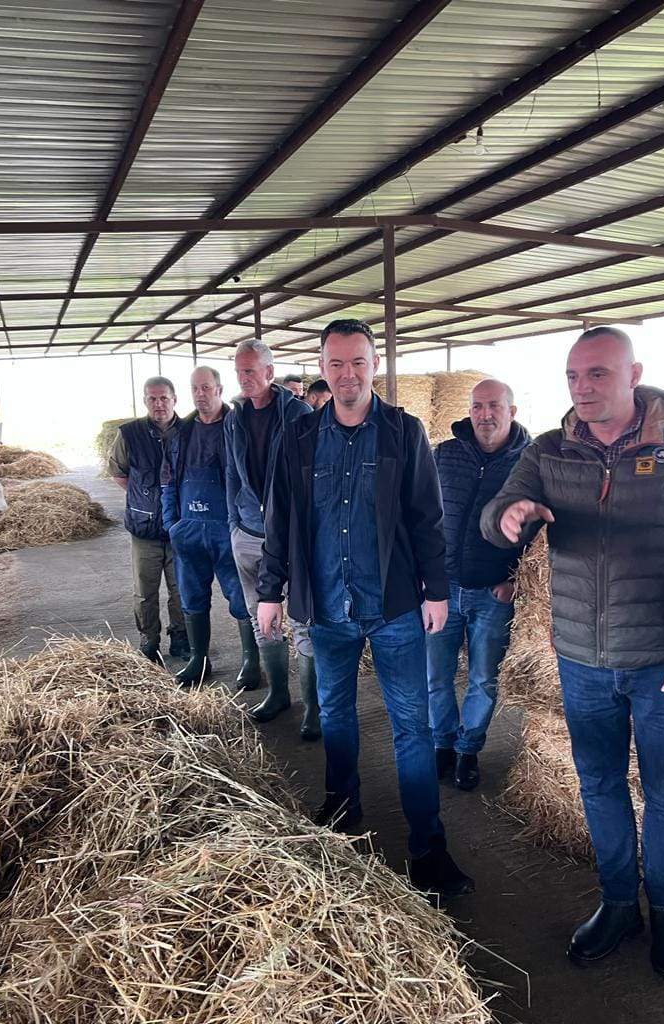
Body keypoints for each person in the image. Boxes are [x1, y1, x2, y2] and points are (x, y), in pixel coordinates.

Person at [481, 326, 664, 980]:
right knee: (599, 782)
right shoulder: (551, 450)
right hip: (582, 660)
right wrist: (509, 515)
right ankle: (618, 904)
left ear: (633, 374)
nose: (582, 389)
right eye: (572, 376)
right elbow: (495, 512)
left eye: (598, 374)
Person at [256, 318, 474, 897]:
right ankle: (342, 804)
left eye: (358, 362)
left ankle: (428, 846)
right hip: (328, 605)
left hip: (395, 605)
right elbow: (280, 517)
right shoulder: (299, 436)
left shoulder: (403, 432)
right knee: (335, 712)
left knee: (412, 725)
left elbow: (428, 517)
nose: (347, 374)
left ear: (375, 365)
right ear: (322, 369)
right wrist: (270, 590)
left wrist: (436, 590)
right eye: (336, 363)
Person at [427, 379, 531, 790]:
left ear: (512, 411)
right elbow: (422, 515)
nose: (484, 414)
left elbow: (544, 531)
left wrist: (516, 580)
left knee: (484, 678)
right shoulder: (444, 455)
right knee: (436, 674)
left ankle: (468, 750)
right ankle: (442, 743)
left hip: (493, 593)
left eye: (494, 406)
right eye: (477, 406)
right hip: (443, 590)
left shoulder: (529, 462)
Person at [225, 340, 320, 740]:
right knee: (260, 614)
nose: (243, 379)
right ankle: (278, 693)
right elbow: (231, 473)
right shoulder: (235, 418)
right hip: (248, 531)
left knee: (302, 618)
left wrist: (305, 528)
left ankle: (313, 706)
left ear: (269, 371)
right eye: (239, 372)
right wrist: (234, 522)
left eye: (250, 371)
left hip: (292, 535)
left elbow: (311, 475)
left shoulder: (298, 413)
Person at [161, 366, 259, 688]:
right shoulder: (180, 433)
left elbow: (250, 479)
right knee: (192, 596)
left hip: (227, 529)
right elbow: (168, 481)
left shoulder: (238, 427)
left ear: (219, 389)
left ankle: (251, 660)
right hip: (189, 530)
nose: (200, 394)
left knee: (241, 597)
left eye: (205, 388)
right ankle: (198, 659)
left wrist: (241, 525)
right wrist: (172, 524)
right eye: (195, 389)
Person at [109, 376, 188, 663]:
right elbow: (118, 472)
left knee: (182, 588)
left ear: (174, 399)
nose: (158, 404)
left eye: (164, 398)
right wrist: (144, 499)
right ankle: (149, 640)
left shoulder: (189, 431)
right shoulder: (129, 434)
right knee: (145, 590)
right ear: (144, 401)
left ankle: (181, 637)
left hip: (180, 526)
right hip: (144, 527)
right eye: (152, 398)